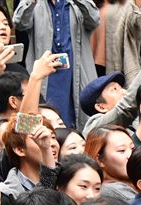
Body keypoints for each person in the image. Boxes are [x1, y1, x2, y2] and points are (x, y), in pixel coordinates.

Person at [13, 0, 100, 128]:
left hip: (74, 76)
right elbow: (20, 23)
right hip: (44, 77)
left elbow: (94, 20)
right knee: (39, 124)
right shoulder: (37, 4)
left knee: (76, 124)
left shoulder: (75, 4)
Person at [85, 124, 136, 201]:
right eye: (121, 150)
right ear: (99, 160)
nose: (131, 155)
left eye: (132, 148)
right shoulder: (111, 191)